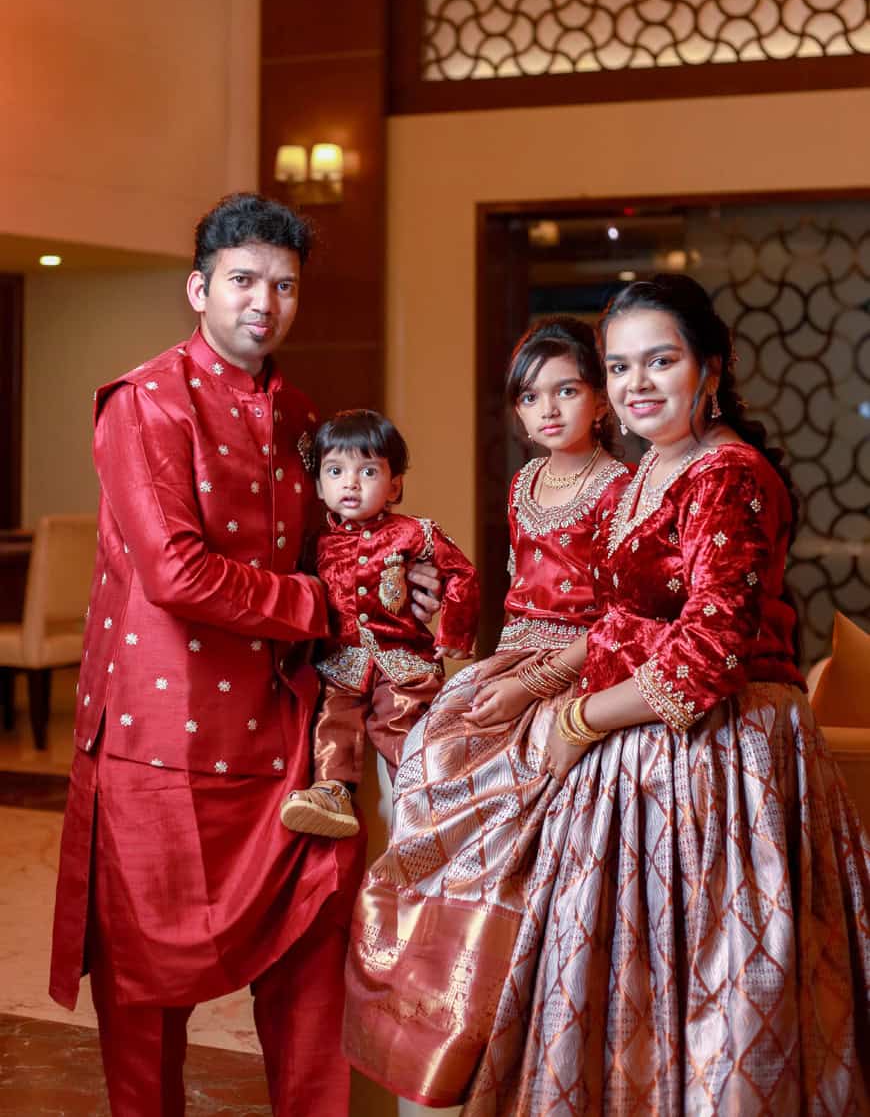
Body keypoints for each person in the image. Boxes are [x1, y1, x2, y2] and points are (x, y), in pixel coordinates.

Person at [343, 278, 870, 1114]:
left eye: (661, 360)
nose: (638, 384)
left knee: (708, 987)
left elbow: (711, 648)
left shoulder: (726, 472)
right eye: (621, 366)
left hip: (717, 756)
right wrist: (545, 686)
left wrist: (575, 717)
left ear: (712, 365)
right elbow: (620, 616)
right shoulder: (661, 463)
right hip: (637, 738)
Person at [47, 192, 439, 1117]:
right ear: (200, 289)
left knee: (315, 963)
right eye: (244, 281)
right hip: (160, 743)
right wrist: (323, 603)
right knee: (144, 997)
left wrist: (403, 580)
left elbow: (334, 548)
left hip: (287, 736)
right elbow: (177, 571)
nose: (265, 301)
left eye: (286, 285)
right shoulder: (142, 404)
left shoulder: (302, 414)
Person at [343, 315, 631, 1104]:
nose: (547, 410)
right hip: (513, 652)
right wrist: (476, 659)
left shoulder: (622, 487)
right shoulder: (522, 483)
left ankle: (516, 989)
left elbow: (620, 620)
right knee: (433, 751)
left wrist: (534, 687)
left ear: (601, 400)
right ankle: (429, 983)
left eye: (567, 390)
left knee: (524, 793)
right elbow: (504, 589)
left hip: (583, 666)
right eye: (530, 396)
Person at [280, 408, 480, 839]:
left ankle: (422, 797)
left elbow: (462, 574)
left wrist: (457, 634)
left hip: (402, 659)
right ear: (318, 485)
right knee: (334, 719)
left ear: (395, 486)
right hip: (341, 662)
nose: (350, 483)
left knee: (404, 724)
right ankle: (332, 791)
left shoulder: (416, 534)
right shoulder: (313, 544)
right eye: (336, 470)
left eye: (367, 471)